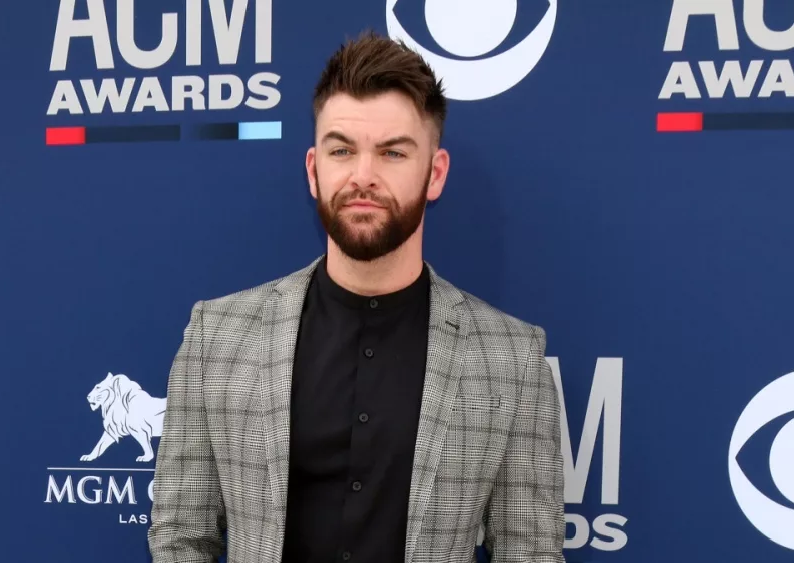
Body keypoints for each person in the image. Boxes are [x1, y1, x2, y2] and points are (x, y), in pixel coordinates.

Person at [148, 30, 565, 563]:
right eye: (342, 149)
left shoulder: (512, 358)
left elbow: (527, 553)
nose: (362, 176)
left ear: (434, 174)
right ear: (313, 170)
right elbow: (181, 537)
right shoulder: (217, 337)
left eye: (392, 152)